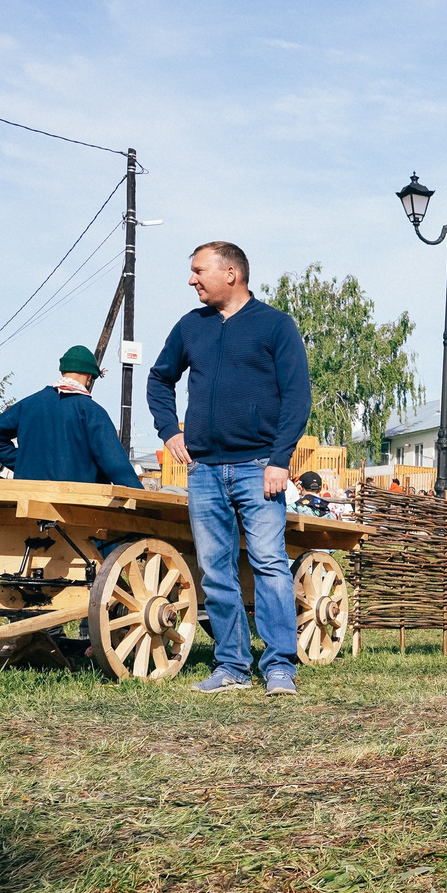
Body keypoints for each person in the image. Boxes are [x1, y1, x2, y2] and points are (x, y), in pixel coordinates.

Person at [147, 240, 313, 696]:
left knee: (269, 565)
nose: (191, 279)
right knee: (215, 569)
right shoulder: (190, 327)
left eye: (199, 270)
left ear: (231, 274)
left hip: (260, 467)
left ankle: (279, 665)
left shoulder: (276, 326)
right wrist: (169, 431)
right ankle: (233, 666)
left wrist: (280, 460)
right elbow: (160, 379)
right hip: (203, 472)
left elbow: (297, 397)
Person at [0, 346, 143, 488]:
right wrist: (140, 496)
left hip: (30, 498)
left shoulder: (28, 405)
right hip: (78, 506)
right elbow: (115, 464)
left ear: (63, 372)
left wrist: (23, 462)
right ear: (89, 378)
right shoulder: (91, 411)